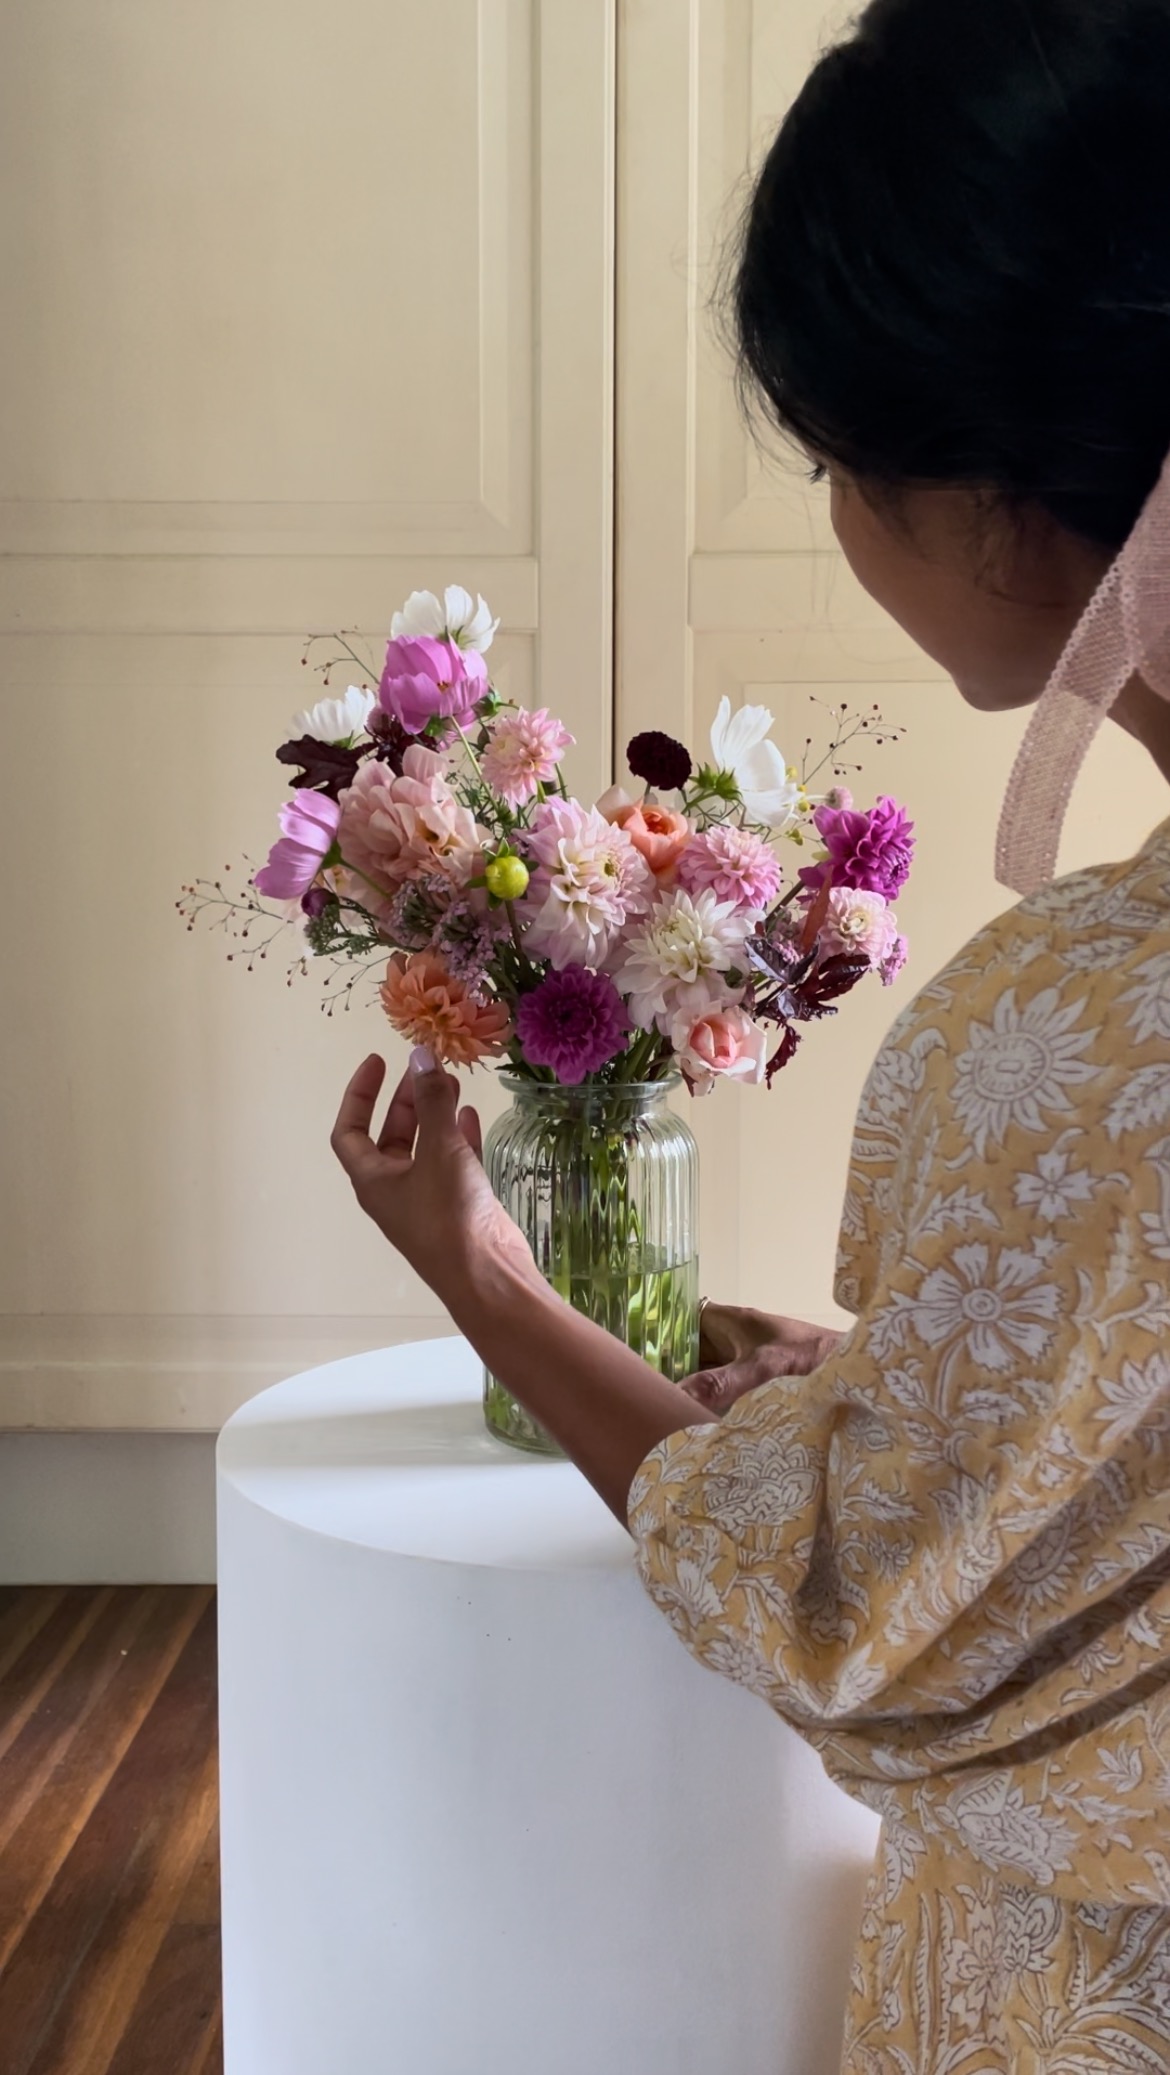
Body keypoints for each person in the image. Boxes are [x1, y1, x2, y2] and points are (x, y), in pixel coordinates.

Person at [331, 1, 1170, 2065]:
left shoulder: (1077, 1028)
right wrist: (910, 1380)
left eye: (835, 459)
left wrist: (492, 1285)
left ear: (1006, 499)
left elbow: (846, 1611)